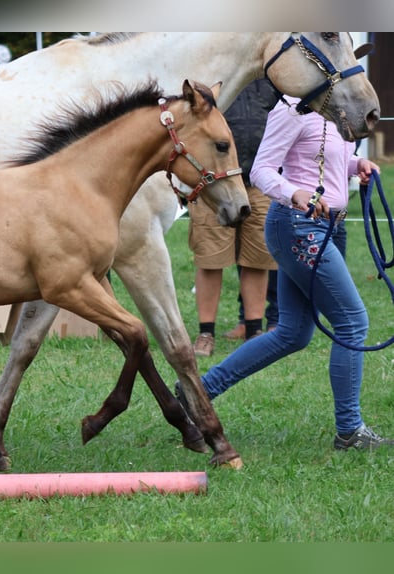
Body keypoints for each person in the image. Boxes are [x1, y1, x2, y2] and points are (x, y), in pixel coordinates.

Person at [177, 92, 392, 451]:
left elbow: (324, 159)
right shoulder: (292, 107)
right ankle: (350, 430)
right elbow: (261, 169)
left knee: (293, 333)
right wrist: (294, 193)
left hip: (329, 226)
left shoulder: (336, 107)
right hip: (299, 224)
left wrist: (357, 166)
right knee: (352, 321)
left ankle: (197, 393)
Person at [188, 78, 279, 356]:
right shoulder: (211, 80)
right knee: (210, 260)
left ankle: (254, 331)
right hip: (215, 186)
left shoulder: (270, 81)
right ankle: (206, 333)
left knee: (257, 259)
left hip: (259, 183)